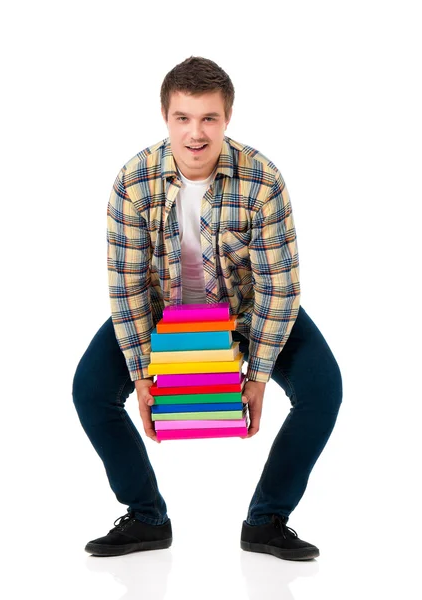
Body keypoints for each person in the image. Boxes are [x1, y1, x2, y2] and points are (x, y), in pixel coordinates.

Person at [72, 56, 343, 561]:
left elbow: (279, 288)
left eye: (209, 119)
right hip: (161, 312)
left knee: (323, 391)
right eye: (183, 118)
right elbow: (127, 286)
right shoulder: (132, 183)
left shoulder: (262, 180)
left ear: (227, 119)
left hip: (245, 310)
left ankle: (267, 521)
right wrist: (140, 376)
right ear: (165, 116)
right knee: (90, 391)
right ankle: (146, 516)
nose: (195, 133)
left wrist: (257, 374)